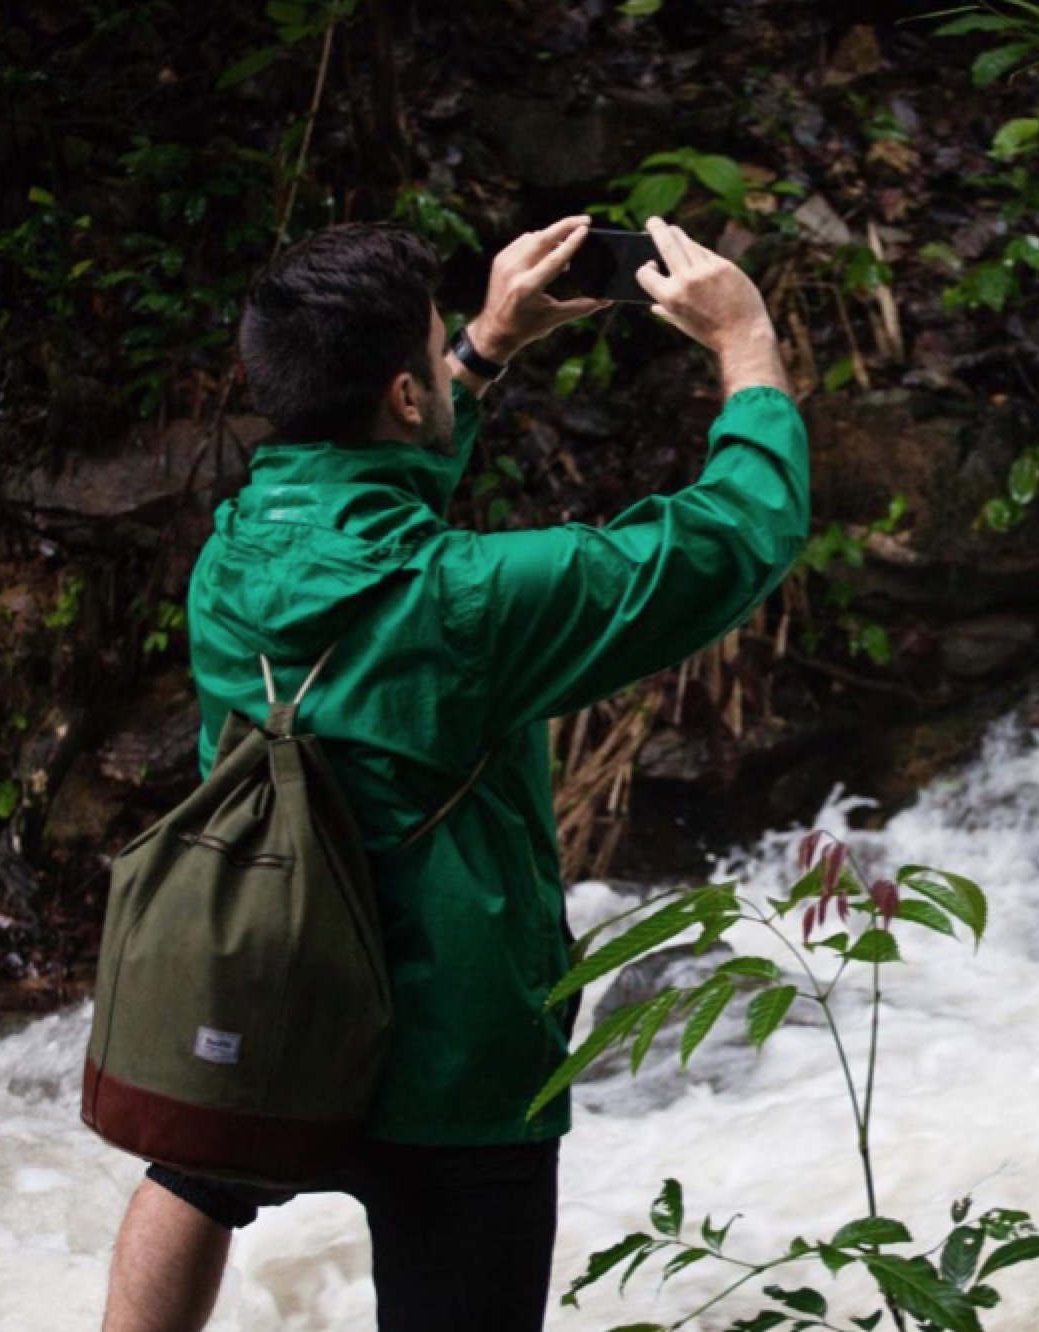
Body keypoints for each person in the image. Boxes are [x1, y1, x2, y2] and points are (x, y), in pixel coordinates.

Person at [99, 214, 809, 1332]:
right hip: (451, 1059)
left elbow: (364, 509)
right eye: (433, 357)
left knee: (193, 1171)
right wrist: (747, 346)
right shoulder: (472, 601)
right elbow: (731, 537)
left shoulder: (235, 548)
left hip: (264, 985)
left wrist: (481, 349)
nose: (444, 364)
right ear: (401, 396)